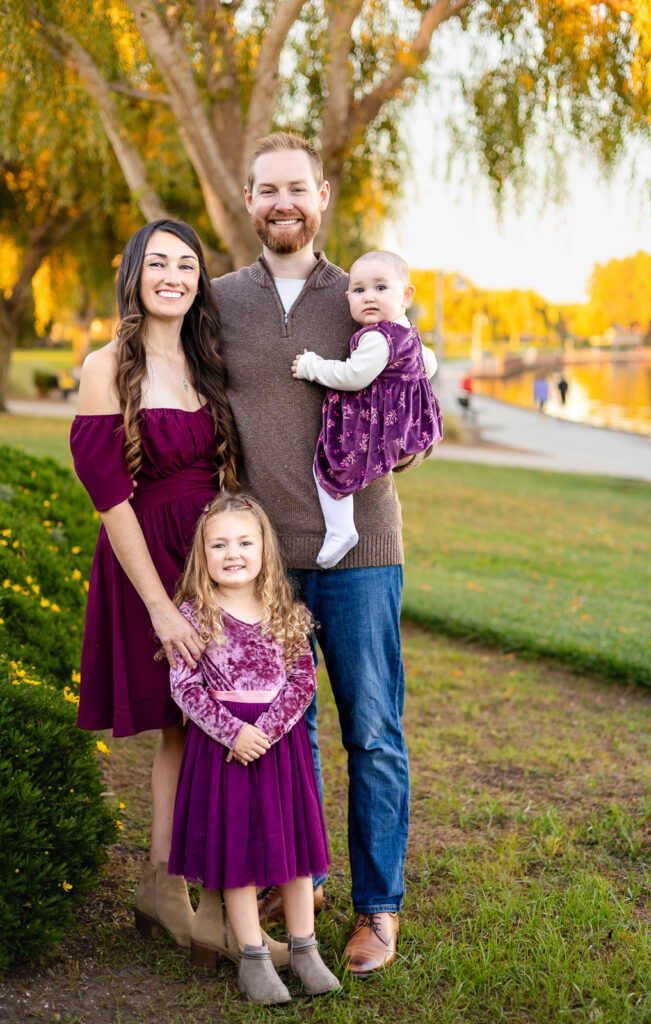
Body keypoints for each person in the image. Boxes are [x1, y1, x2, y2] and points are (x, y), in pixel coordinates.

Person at [213, 132, 428, 976]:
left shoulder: (366, 294)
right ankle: (290, 882)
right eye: (267, 189)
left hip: (362, 552)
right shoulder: (220, 300)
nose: (282, 203)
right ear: (248, 198)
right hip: (265, 562)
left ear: (323, 194)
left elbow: (412, 401)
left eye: (296, 188)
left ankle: (377, 910)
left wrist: (387, 449)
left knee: (371, 732)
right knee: (284, 732)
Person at [70, 219, 244, 951]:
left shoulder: (209, 363)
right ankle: (168, 888)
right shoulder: (105, 366)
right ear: (136, 275)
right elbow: (110, 500)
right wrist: (161, 610)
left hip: (211, 559)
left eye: (187, 265)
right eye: (159, 263)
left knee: (215, 723)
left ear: (199, 281)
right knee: (178, 727)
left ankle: (204, 882)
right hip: (148, 561)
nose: (173, 275)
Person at [167, 493, 340, 1004]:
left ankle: (305, 950)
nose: (233, 553)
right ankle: (252, 956)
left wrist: (267, 729)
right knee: (237, 851)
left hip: (276, 744)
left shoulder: (285, 609)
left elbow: (304, 682)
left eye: (245, 542)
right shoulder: (195, 615)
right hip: (225, 749)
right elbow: (185, 687)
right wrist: (233, 733)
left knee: (293, 851)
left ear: (266, 548)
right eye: (219, 545)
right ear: (203, 554)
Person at [291, 250, 442, 569]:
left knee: (331, 465)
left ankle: (341, 529)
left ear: (406, 295)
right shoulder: (408, 332)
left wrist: (312, 365)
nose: (369, 297)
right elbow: (429, 364)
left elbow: (353, 376)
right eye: (359, 290)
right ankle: (341, 528)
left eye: (380, 288)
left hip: (371, 423)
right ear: (348, 298)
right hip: (400, 422)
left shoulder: (376, 337)